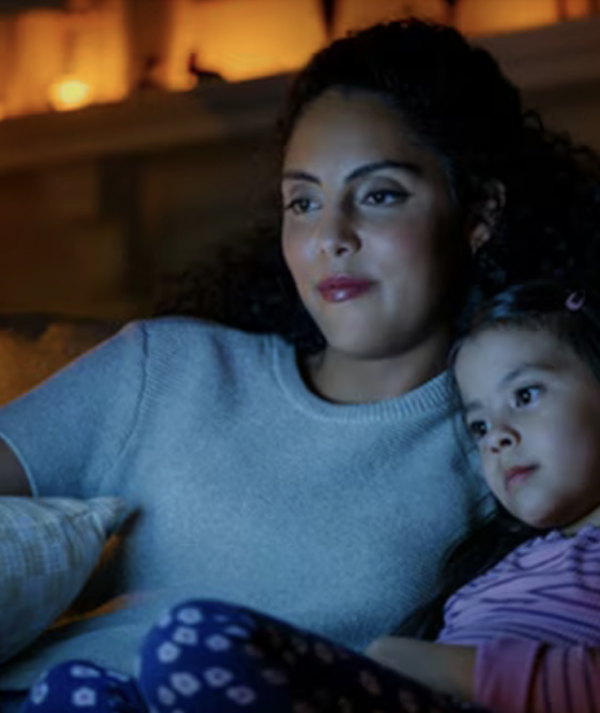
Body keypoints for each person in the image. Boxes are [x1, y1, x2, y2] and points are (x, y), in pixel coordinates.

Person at [1, 16, 600, 708]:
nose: (330, 237)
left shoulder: (514, 442)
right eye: (303, 201)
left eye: (379, 195)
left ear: (478, 215)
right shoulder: (163, 366)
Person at [21, 279, 600, 713]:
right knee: (75, 691)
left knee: (195, 639)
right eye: (477, 425)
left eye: (525, 395)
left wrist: (432, 665)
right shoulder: (501, 563)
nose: (497, 435)